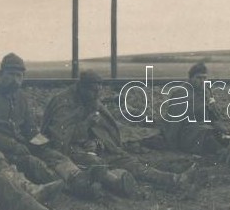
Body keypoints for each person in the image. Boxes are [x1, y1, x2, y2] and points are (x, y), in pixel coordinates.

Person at [41, 70, 204, 197]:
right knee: (98, 165)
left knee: (129, 161)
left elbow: (106, 131)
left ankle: (174, 180)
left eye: (99, 91)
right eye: (92, 91)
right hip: (71, 153)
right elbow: (60, 140)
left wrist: (98, 143)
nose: (96, 96)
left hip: (95, 148)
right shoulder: (64, 103)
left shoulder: (91, 100)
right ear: (81, 88)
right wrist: (86, 125)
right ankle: (119, 182)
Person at [0, 53, 98, 198]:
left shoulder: (21, 97)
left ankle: (78, 179)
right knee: (31, 163)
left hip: (20, 146)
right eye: (11, 75)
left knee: (52, 155)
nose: (15, 80)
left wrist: (44, 144)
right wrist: (13, 145)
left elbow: (30, 130)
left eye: (19, 76)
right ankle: (35, 190)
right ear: (0, 74)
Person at [160, 62, 230, 156]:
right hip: (187, 132)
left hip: (204, 129)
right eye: (198, 78)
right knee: (209, 137)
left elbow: (211, 114)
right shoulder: (181, 93)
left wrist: (221, 126)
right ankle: (222, 153)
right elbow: (174, 122)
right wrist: (172, 145)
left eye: (204, 78)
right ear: (190, 78)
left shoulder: (205, 91)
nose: (202, 81)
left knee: (225, 136)